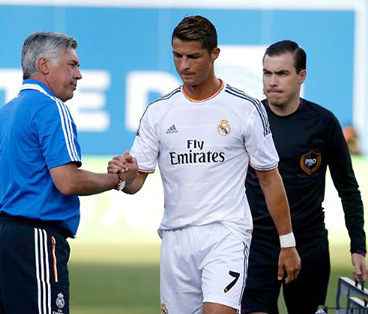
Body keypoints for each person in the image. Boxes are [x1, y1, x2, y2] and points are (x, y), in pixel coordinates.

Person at [108, 16, 301, 314]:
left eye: (193, 56)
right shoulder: (158, 112)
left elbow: (269, 178)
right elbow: (136, 181)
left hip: (226, 234)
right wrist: (123, 177)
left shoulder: (244, 109)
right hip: (175, 239)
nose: (184, 65)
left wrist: (287, 243)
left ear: (214, 54)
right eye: (177, 55)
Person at [0, 32, 137, 314]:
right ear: (44, 65)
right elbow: (67, 181)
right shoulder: (51, 108)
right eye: (72, 65)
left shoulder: (3, 115)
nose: (79, 74)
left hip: (2, 240)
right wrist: (118, 179)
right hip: (37, 237)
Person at [241, 40, 368, 314]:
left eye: (282, 73)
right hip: (258, 245)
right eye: (267, 73)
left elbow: (348, 188)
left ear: (302, 76)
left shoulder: (323, 123)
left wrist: (358, 246)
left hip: (309, 245)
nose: (272, 81)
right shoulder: (247, 119)